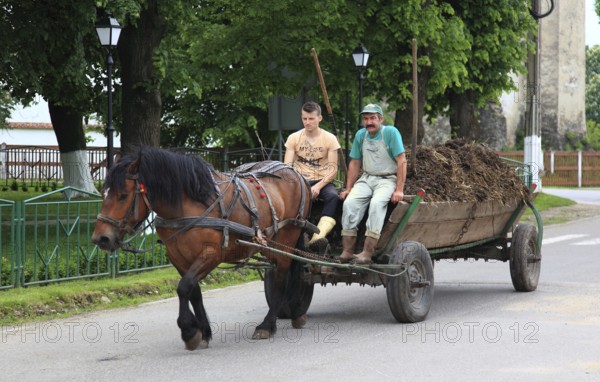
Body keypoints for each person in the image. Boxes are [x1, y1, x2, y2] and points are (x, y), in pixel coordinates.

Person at [338, 103, 407, 264]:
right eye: (366, 118)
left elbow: (402, 160)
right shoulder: (361, 135)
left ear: (381, 119)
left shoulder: (390, 133)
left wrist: (399, 189)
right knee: (349, 204)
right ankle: (347, 251)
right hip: (367, 178)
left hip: (387, 179)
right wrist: (348, 188)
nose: (369, 122)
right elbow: (355, 162)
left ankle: (367, 253)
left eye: (372, 118)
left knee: (376, 204)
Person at [284, 101, 341, 251]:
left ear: (320, 118)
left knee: (333, 196)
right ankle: (293, 235)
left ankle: (318, 237)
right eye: (304, 119)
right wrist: (300, 184)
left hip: (322, 180)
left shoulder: (330, 139)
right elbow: (287, 167)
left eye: (311, 119)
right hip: (299, 180)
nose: (307, 122)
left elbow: (333, 170)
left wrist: (318, 186)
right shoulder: (293, 138)